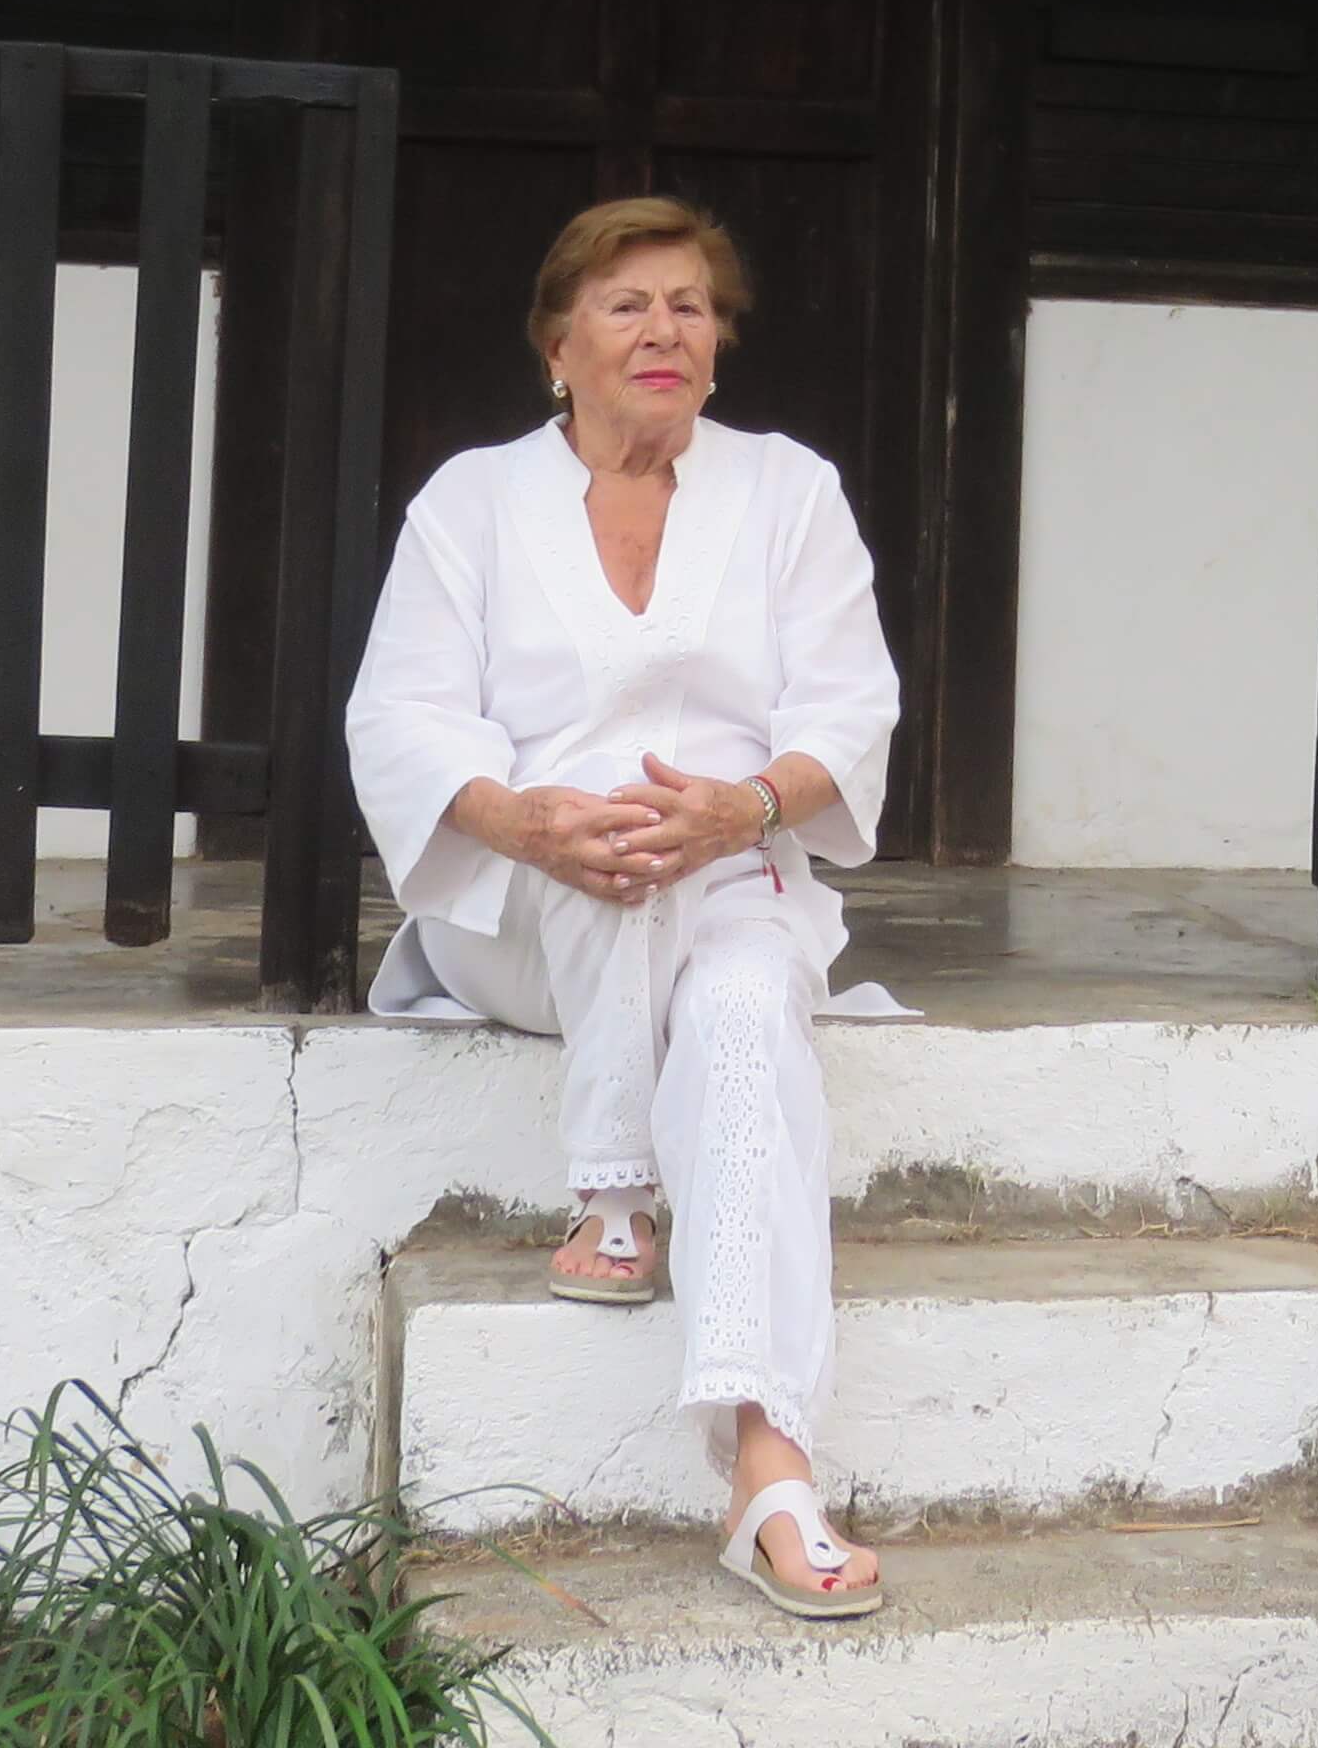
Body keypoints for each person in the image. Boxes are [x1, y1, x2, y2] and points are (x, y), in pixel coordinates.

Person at [347, 198, 904, 1622]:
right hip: (523, 917)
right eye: (627, 304)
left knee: (742, 1006)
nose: (666, 330)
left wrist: (746, 805)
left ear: (720, 344)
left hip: (731, 878)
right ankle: (613, 1181)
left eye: (690, 305)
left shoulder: (789, 491)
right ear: (557, 347)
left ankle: (769, 1463)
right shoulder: (472, 503)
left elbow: (851, 709)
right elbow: (400, 717)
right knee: (604, 840)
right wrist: (529, 822)